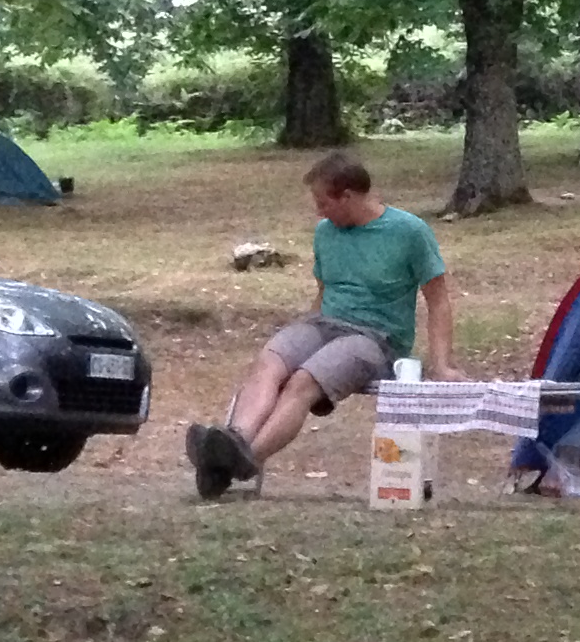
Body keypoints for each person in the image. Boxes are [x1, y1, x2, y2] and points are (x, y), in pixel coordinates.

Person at [187, 150, 451, 499]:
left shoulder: (409, 232)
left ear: (348, 197)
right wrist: (302, 335)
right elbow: (324, 291)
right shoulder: (326, 233)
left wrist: (441, 364)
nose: (319, 212)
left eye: (323, 203)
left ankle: (237, 464)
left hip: (375, 339)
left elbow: (438, 300)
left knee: (304, 380)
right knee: (270, 360)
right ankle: (235, 438)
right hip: (324, 324)